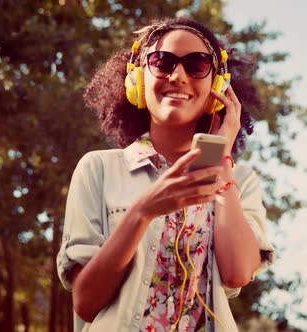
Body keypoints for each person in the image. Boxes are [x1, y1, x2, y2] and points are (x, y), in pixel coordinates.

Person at [56, 17, 275, 332]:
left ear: (217, 85)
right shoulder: (98, 169)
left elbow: (238, 272)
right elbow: (86, 303)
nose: (178, 76)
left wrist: (220, 156)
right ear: (138, 80)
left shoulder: (242, 179)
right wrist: (143, 211)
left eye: (196, 65)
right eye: (162, 62)